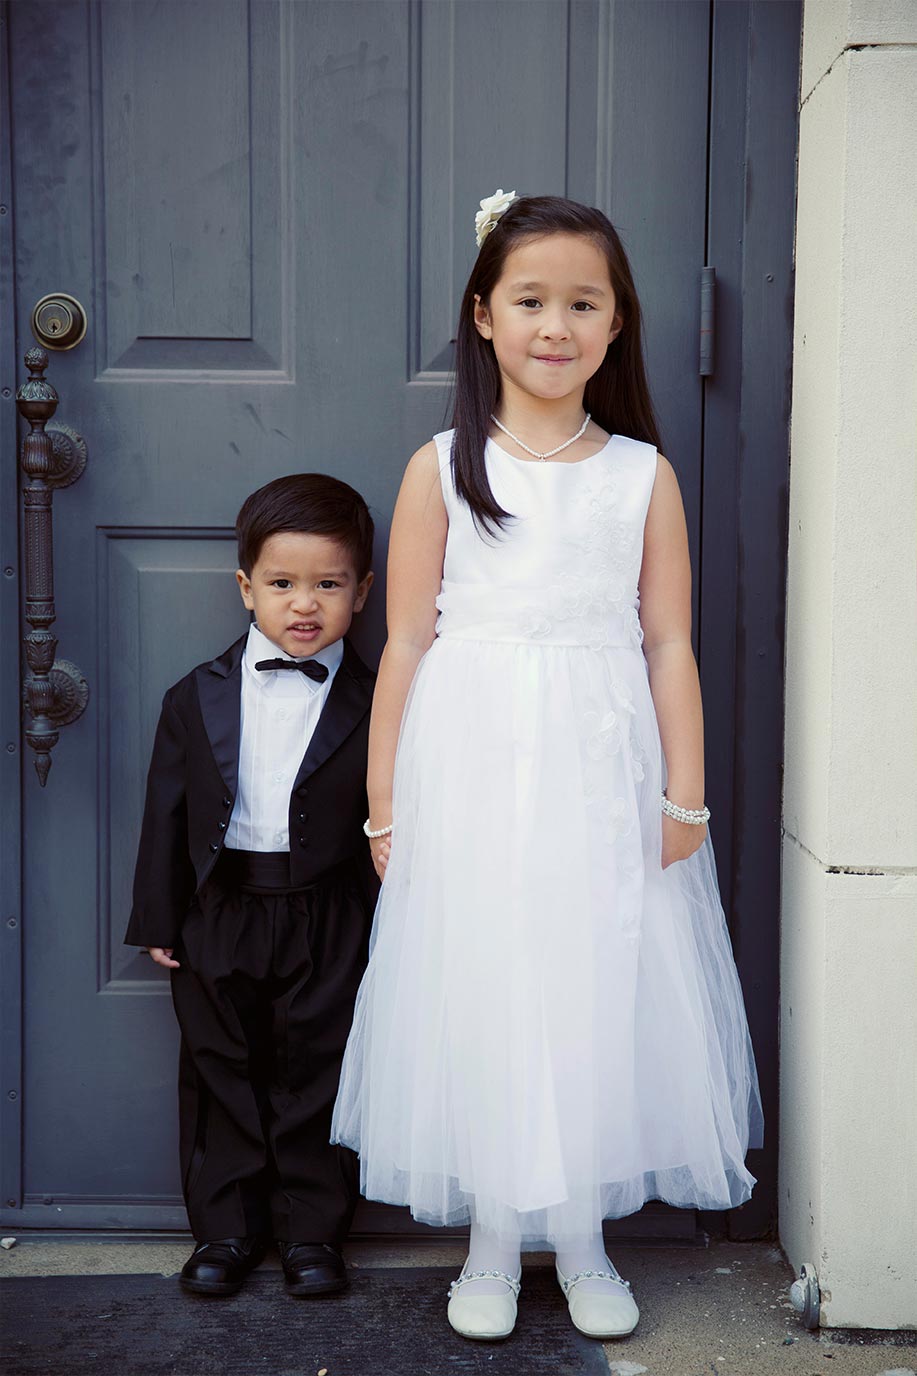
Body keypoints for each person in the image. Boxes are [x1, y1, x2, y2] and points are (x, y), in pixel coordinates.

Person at [331, 192, 763, 1342]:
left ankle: (578, 1239)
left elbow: (665, 639)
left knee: (588, 986)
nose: (554, 325)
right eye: (530, 301)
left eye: (583, 303)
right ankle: (485, 1241)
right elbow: (409, 640)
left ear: (616, 325)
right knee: (484, 984)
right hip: (468, 764)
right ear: (482, 316)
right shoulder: (440, 467)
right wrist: (384, 804)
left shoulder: (639, 475)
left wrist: (685, 790)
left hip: (596, 764)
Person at [125, 473, 378, 1298]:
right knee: (219, 1069)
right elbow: (166, 807)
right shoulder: (194, 695)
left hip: (332, 912)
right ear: (246, 589)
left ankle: (313, 1233)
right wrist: (162, 915)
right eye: (281, 584)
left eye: (327, 585)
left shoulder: (382, 702)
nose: (304, 605)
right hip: (221, 908)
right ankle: (227, 1230)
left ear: (362, 592)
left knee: (319, 1069)